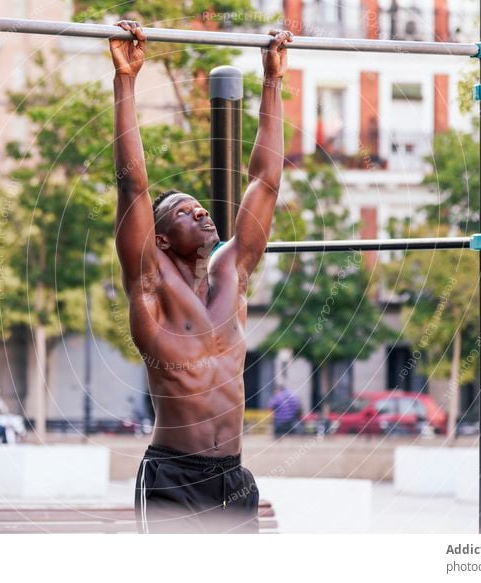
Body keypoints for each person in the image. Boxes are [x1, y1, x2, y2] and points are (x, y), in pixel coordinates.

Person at [109, 20, 292, 533]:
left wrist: (272, 81)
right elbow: (132, 188)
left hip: (232, 477)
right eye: (185, 214)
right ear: (160, 239)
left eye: (201, 209)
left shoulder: (233, 274)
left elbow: (265, 181)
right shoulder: (152, 287)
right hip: (173, 476)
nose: (202, 214)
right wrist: (126, 80)